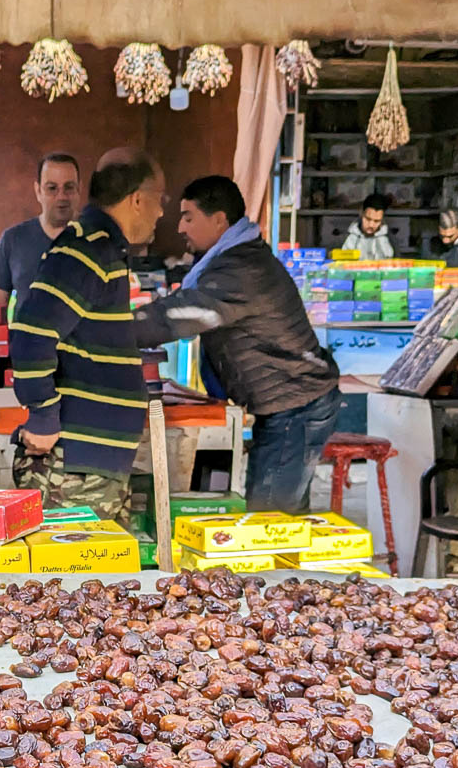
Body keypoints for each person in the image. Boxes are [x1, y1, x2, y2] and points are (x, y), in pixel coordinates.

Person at [134, 175, 340, 514]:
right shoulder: (234, 258)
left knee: (269, 518)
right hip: (289, 402)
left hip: (296, 405)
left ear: (218, 220)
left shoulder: (242, 268)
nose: (181, 227)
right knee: (280, 514)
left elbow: (185, 313)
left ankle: (276, 568)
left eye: (189, 217)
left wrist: (113, 330)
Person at [9, 148, 166, 523]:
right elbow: (31, 333)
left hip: (89, 466)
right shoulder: (87, 249)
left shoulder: (102, 248)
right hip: (73, 468)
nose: (162, 213)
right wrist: (44, 418)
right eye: (160, 201)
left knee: (97, 579)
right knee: (73, 578)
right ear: (139, 199)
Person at [0, 153, 81, 309]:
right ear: (38, 191)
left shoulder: (97, 239)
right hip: (26, 334)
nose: (61, 196)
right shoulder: (12, 240)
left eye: (69, 187)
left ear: (79, 189)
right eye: (52, 188)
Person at [343, 192, 396, 260]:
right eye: (368, 219)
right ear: (361, 213)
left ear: (382, 219)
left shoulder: (390, 240)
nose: (371, 225)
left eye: (376, 221)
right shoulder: (347, 237)